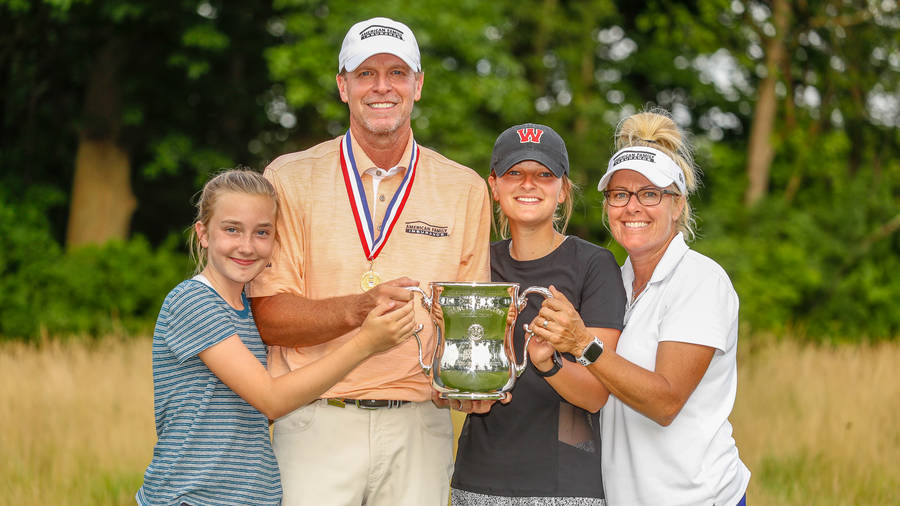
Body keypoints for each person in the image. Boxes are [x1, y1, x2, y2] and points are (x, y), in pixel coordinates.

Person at [247, 17, 492, 506]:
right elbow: (270, 316)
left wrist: (473, 381)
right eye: (366, 73)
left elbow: (468, 323)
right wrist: (360, 310)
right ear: (343, 85)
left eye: (397, 72)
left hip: (419, 425)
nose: (383, 87)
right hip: (316, 418)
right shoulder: (289, 177)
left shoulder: (464, 187)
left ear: (418, 84)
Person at [136, 169, 416, 505]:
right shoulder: (193, 301)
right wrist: (365, 343)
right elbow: (271, 398)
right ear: (203, 234)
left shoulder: (247, 313)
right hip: (192, 496)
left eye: (262, 232)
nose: (246, 246)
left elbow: (252, 412)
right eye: (231, 230)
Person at [532, 110, 751, 505]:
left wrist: (582, 343)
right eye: (619, 194)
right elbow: (597, 398)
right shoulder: (614, 281)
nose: (632, 207)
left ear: (678, 204)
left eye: (650, 194)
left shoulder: (700, 281)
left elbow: (664, 402)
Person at [450, 124, 626, 505]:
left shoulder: (594, 265)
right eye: (515, 173)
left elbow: (597, 396)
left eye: (544, 174)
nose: (529, 184)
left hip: (564, 487)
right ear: (494, 187)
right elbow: (453, 370)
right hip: (477, 480)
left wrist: (549, 364)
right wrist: (456, 392)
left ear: (563, 190)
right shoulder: (475, 263)